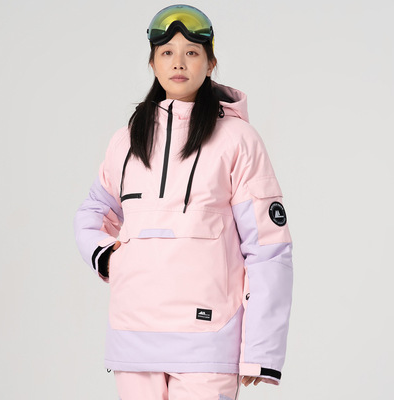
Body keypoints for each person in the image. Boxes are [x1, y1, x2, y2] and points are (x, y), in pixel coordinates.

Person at [74, 4, 293, 399]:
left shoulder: (238, 140)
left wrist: (260, 351)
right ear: (153, 63)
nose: (178, 63)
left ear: (211, 63)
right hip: (133, 335)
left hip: (208, 339)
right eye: (167, 53)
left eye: (192, 52)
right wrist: (107, 257)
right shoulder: (126, 140)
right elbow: (93, 212)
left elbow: (268, 248)